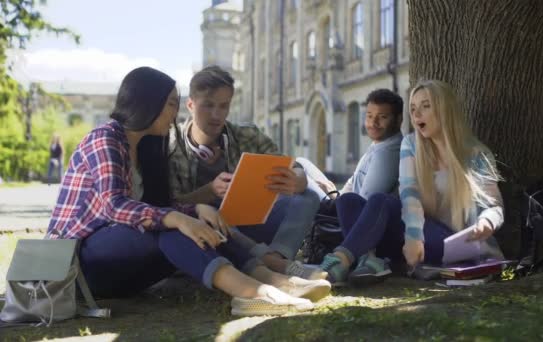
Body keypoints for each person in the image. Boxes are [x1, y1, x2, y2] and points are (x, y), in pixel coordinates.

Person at [46, 66, 330, 316]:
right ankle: (251, 293)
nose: (176, 113)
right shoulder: (105, 137)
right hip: (80, 266)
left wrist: (195, 210)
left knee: (192, 223)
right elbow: (115, 207)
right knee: (173, 226)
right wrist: (182, 217)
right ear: (149, 102)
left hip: (127, 272)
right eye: (171, 104)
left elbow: (158, 206)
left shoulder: (149, 148)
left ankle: (271, 278)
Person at [319, 80, 504, 286]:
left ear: (445, 110)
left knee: (381, 200)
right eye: (413, 108)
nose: (417, 115)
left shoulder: (476, 154)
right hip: (412, 240)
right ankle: (368, 261)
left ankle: (339, 262)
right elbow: (410, 196)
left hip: (454, 243)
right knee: (348, 201)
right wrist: (413, 237)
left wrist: (487, 221)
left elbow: (494, 206)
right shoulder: (410, 144)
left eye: (426, 107)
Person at [169, 65, 324, 280]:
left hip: (254, 220)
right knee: (210, 212)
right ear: (190, 105)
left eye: (224, 106)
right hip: (210, 231)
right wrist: (210, 191)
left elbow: (291, 166)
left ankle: (278, 258)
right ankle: (274, 263)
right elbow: (170, 205)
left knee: (308, 195)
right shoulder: (171, 146)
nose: (216, 114)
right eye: (208, 105)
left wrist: (298, 178)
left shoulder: (247, 134)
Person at [297, 88, 403, 201]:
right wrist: (334, 193)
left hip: (340, 215)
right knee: (300, 163)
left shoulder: (387, 154)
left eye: (382, 117)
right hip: (341, 202)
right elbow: (352, 185)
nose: (373, 123)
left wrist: (333, 196)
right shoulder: (379, 145)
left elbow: (363, 205)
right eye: (369, 116)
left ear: (399, 119)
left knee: (297, 177)